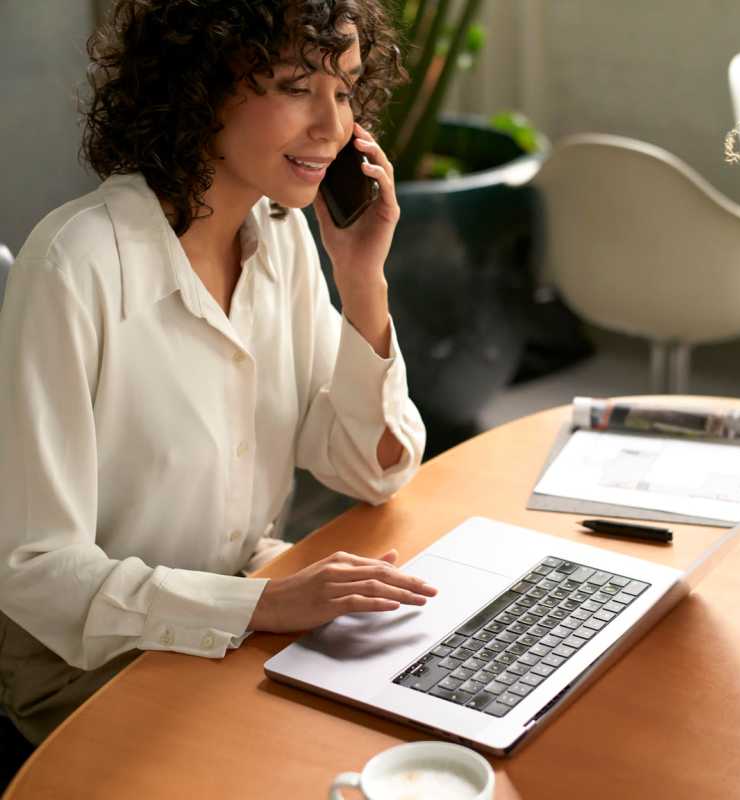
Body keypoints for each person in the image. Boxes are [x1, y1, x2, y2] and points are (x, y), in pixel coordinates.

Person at [0, 0, 436, 748]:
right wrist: (258, 607)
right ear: (200, 86)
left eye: (345, 89)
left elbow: (371, 470)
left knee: (406, 714)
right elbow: (34, 571)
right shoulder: (77, 265)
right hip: (86, 659)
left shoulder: (282, 237)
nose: (333, 127)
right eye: (299, 86)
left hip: (246, 602)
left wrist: (363, 281)